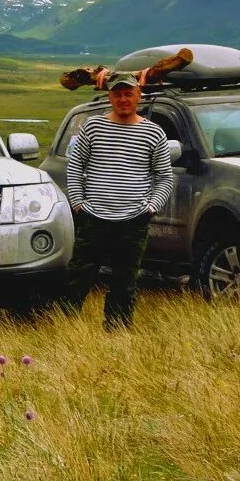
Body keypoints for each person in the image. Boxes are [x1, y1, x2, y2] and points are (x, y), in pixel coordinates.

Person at [59, 75, 175, 329]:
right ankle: (64, 329)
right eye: (117, 94)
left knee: (125, 281)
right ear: (110, 97)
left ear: (138, 96)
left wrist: (151, 207)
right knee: (79, 276)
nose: (123, 99)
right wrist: (78, 202)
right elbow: (76, 166)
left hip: (133, 220)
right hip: (94, 217)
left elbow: (165, 176)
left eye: (128, 94)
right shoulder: (93, 127)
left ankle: (118, 332)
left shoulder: (153, 133)